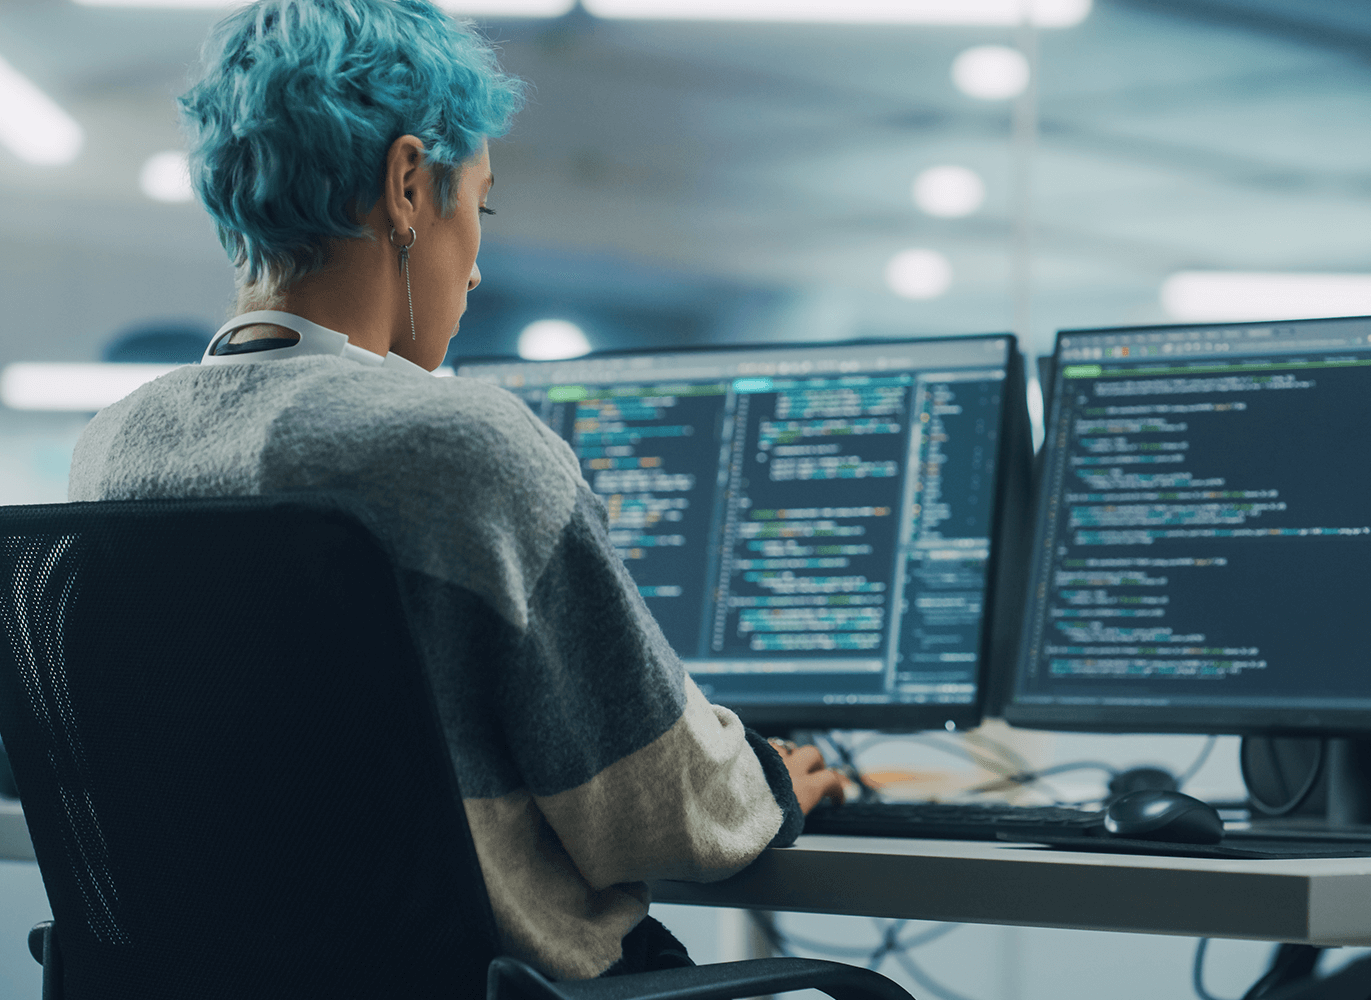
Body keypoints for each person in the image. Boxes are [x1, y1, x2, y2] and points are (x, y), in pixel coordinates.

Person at [67, 0, 845, 981]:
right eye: (479, 203)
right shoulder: (461, 441)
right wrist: (770, 779)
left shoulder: (113, 448)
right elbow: (654, 814)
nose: (475, 262)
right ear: (406, 185)